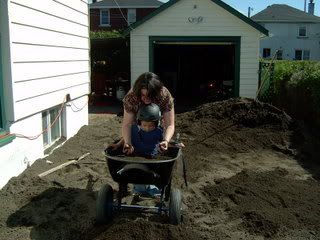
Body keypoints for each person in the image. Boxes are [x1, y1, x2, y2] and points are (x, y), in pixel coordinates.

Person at [112, 72, 175, 154]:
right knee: (135, 131)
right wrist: (127, 143)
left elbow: (170, 124)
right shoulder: (131, 96)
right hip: (138, 118)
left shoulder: (164, 95)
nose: (145, 98)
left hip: (156, 119)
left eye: (149, 95)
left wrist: (166, 140)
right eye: (142, 95)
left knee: (160, 133)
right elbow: (127, 124)